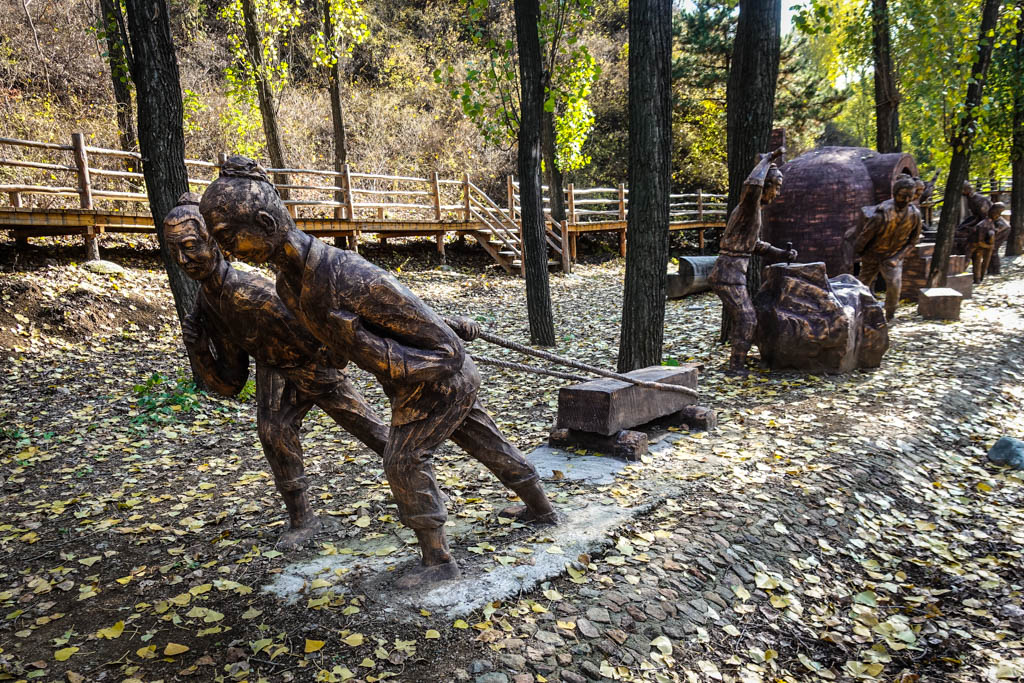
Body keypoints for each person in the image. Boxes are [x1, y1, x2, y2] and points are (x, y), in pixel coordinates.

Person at [198, 157, 557, 589]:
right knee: (484, 440)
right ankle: (542, 510)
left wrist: (370, 345)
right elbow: (339, 344)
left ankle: (439, 561)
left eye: (227, 237)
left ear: (264, 223)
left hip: (439, 380)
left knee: (403, 459)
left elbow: (446, 352)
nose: (226, 250)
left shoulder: (346, 273)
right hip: (412, 382)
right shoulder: (287, 286)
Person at [164, 194, 390, 549]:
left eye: (191, 246)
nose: (183, 259)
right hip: (273, 368)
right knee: (274, 433)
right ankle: (302, 518)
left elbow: (317, 333)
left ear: (215, 244)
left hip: (311, 363)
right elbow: (230, 383)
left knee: (369, 428)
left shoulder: (252, 293)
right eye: (175, 250)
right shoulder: (208, 302)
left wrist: (340, 355)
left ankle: (420, 483)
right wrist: (199, 349)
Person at [708, 147, 797, 373]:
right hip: (728, 274)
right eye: (776, 187)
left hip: (733, 273)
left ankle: (738, 361)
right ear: (765, 186)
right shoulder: (749, 205)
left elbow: (754, 245)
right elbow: (752, 185)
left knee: (747, 317)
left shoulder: (753, 212)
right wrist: (768, 160)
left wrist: (782, 254)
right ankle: (736, 367)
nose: (777, 193)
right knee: (747, 319)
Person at [854, 175, 923, 321]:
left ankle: (890, 316)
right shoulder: (881, 213)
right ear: (895, 193)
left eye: (910, 196)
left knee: (894, 285)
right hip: (872, 254)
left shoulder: (915, 215)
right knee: (861, 285)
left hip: (893, 256)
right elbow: (865, 236)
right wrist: (859, 252)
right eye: (902, 196)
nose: (906, 200)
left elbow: (913, 241)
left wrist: (897, 257)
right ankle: (858, 313)